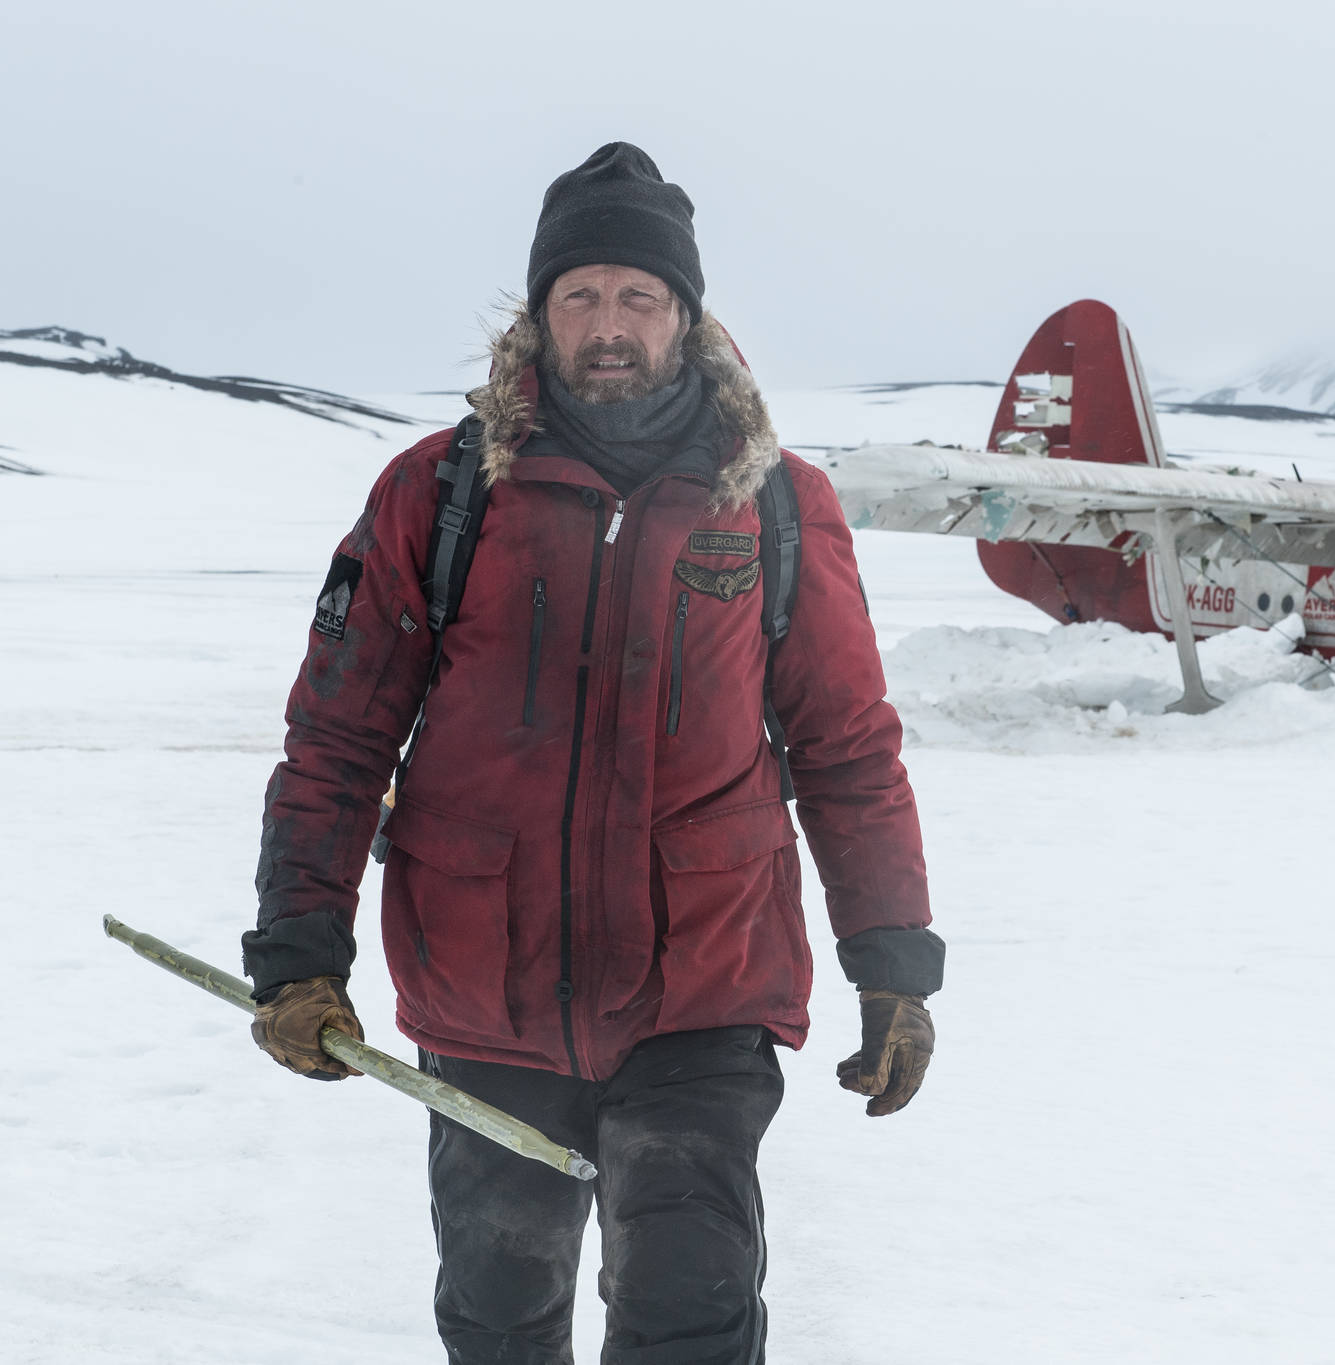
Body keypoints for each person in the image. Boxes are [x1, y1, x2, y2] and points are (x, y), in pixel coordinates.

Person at [240, 142, 943, 1364]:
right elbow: (339, 740)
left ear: (685, 315)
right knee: (500, 1326)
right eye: (579, 297)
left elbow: (845, 746)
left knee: (690, 1324)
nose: (607, 326)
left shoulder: (775, 503)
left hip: (705, 990)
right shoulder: (440, 494)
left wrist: (892, 966)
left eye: (636, 297)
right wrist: (296, 954)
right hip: (485, 989)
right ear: (538, 314)